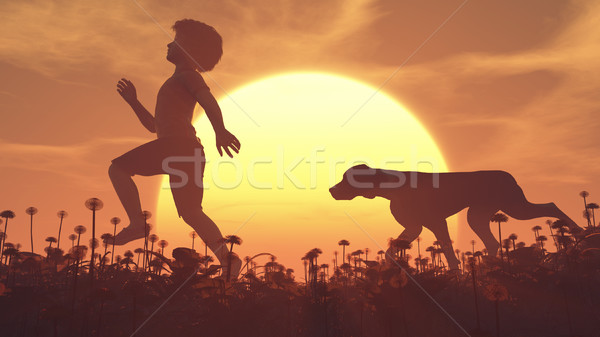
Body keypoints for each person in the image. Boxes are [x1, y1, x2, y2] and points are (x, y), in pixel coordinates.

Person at [109, 19, 242, 279]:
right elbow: (153, 126)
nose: (169, 43)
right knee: (191, 212)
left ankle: (137, 224)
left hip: (178, 147)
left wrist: (220, 130)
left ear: (190, 49)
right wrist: (134, 102)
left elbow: (209, 101)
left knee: (118, 169)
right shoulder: (176, 80)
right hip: (185, 150)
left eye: (177, 41)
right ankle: (227, 259)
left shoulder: (187, 75)